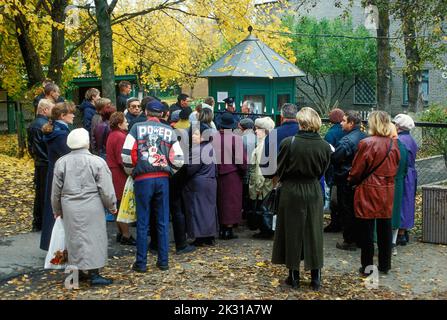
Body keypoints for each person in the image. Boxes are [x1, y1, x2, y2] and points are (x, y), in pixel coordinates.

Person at [272, 107, 332, 291]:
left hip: (291, 190)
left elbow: (279, 169)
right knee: (314, 233)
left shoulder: (288, 143)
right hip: (313, 190)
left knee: (292, 232)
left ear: (301, 122)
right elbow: (322, 170)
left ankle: (294, 277)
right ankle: (316, 278)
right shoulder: (324, 146)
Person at [122, 100, 184, 272]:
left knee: (143, 222)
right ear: (162, 114)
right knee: (163, 221)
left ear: (147, 112)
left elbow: (126, 154)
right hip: (162, 179)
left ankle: (141, 263)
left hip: (143, 179)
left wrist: (132, 172)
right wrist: (169, 171)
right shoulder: (169, 131)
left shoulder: (136, 128)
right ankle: (163, 262)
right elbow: (179, 158)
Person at [52, 128, 117, 286]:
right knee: (94, 238)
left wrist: (56, 210)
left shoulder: (61, 162)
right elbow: (106, 188)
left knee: (73, 240)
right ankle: (94, 274)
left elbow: (56, 190)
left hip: (70, 206)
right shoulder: (97, 162)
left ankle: (73, 277)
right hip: (92, 205)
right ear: (86, 142)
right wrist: (112, 205)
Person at [348, 111, 400, 276]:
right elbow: (395, 166)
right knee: (385, 229)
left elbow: (357, 169)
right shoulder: (394, 144)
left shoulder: (367, 143)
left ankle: (368, 266)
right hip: (387, 189)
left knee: (367, 231)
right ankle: (385, 265)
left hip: (368, 190)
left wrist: (351, 180)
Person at [40, 102, 75, 251]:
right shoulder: (61, 135)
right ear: (62, 115)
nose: (73, 115)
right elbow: (70, 157)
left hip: (54, 173)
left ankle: (51, 244)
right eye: (71, 113)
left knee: (53, 209)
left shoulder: (56, 131)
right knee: (58, 210)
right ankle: (57, 247)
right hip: (61, 176)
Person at [332, 111, 367, 251]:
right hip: (359, 179)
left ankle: (349, 240)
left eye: (344, 120)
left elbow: (335, 158)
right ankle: (358, 238)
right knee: (357, 210)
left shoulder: (347, 141)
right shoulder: (364, 137)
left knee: (346, 210)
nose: (341, 123)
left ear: (351, 123)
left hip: (345, 179)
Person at [183, 124, 219, 246]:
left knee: (198, 210)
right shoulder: (210, 147)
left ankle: (200, 237)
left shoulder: (197, 150)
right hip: (210, 181)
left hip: (198, 184)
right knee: (208, 210)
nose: (193, 136)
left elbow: (190, 169)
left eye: (196, 134)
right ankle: (209, 236)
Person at [214, 112, 248, 239]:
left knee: (219, 201)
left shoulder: (213, 137)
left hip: (216, 173)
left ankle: (221, 229)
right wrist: (244, 171)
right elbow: (242, 161)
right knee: (231, 203)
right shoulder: (235, 139)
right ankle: (228, 230)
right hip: (232, 174)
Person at [106, 112, 136, 245]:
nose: (128, 123)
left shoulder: (112, 135)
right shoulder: (120, 137)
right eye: (125, 121)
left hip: (113, 172)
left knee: (117, 204)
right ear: (119, 124)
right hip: (119, 174)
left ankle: (121, 232)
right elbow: (122, 159)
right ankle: (126, 234)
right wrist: (131, 172)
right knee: (121, 204)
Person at [27, 99, 55, 231]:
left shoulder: (35, 124)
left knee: (40, 193)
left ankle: (38, 222)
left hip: (40, 162)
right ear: (45, 110)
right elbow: (40, 147)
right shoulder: (42, 125)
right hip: (44, 163)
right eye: (51, 109)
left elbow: (31, 147)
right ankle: (42, 223)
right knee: (44, 194)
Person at [393, 114, 418, 246]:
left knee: (401, 201)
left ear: (398, 126)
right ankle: (404, 231)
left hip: (403, 173)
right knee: (408, 201)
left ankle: (400, 233)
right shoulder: (411, 139)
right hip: (411, 173)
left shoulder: (400, 141)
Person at [249, 117, 276, 239]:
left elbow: (260, 168)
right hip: (267, 182)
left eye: (258, 129)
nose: (255, 131)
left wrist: (258, 186)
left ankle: (265, 231)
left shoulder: (263, 145)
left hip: (263, 184)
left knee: (264, 207)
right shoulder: (267, 143)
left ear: (265, 130)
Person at [260, 103, 299, 177]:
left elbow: (265, 167)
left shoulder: (273, 134)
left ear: (281, 118)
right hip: (304, 181)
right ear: (297, 117)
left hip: (280, 180)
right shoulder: (304, 133)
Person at [323, 108, 346, 233]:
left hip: (334, 169)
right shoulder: (347, 131)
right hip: (347, 169)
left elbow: (327, 153)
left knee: (334, 197)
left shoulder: (330, 134)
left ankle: (335, 222)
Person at [389, 124, 408, 256]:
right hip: (399, 183)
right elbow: (406, 168)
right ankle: (393, 243)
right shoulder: (403, 147)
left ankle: (381, 241)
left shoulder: (389, 147)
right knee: (395, 213)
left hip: (387, 183)